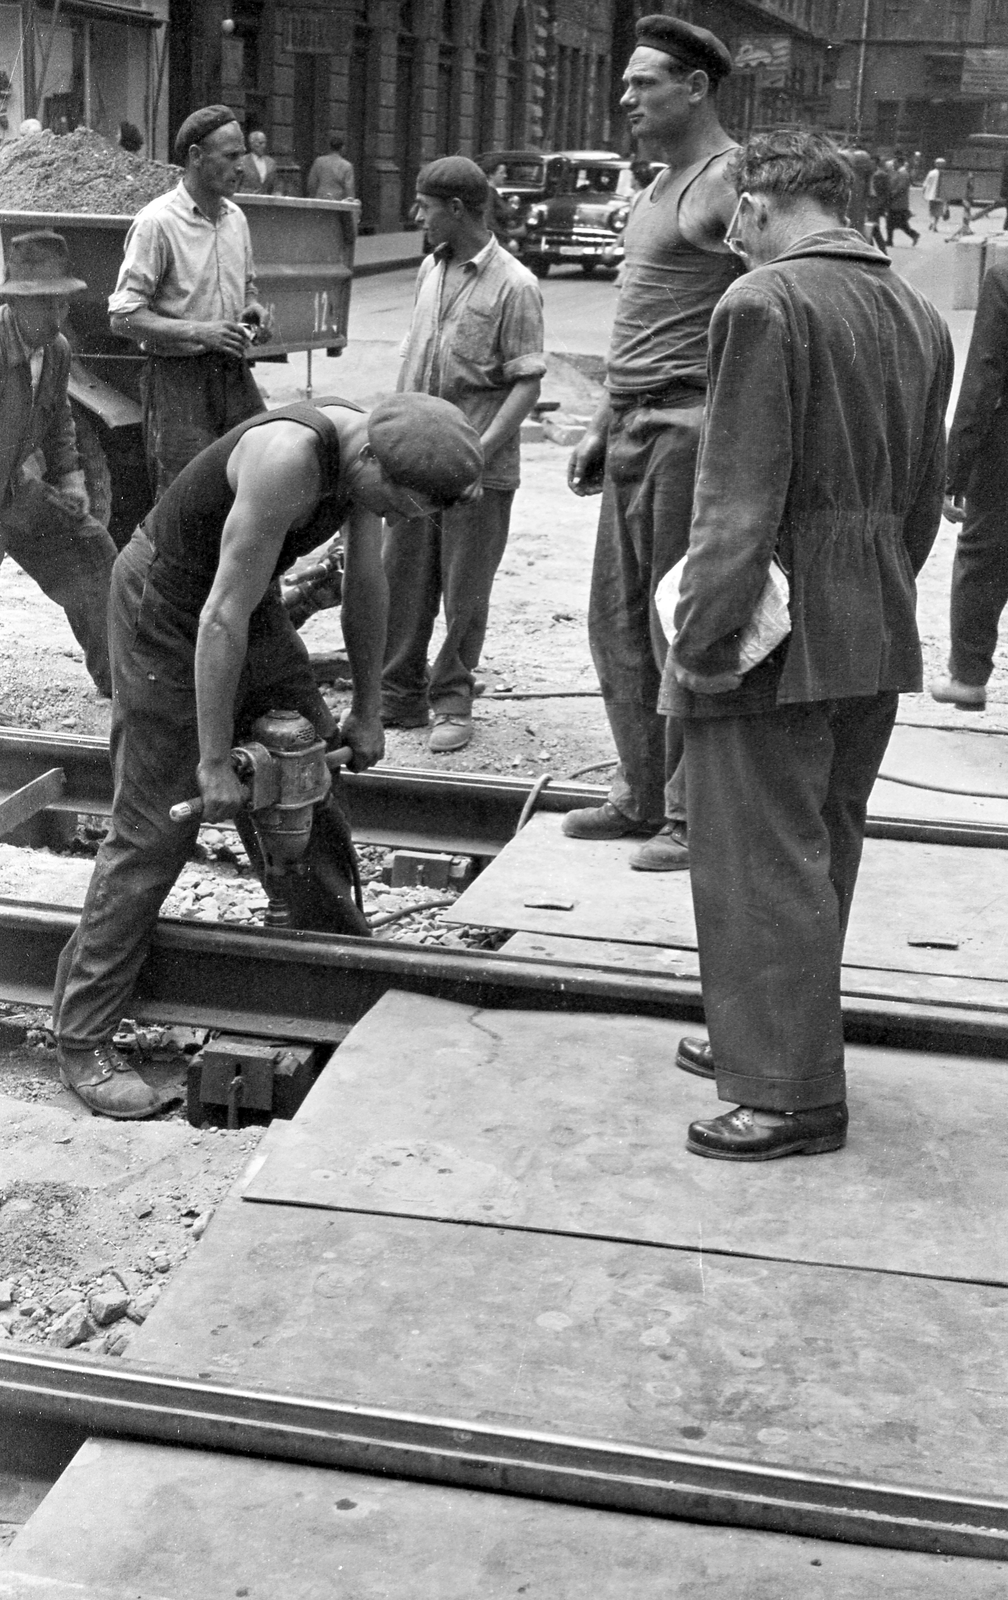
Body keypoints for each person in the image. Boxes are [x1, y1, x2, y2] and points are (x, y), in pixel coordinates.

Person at [53, 392, 483, 1120]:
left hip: (243, 605)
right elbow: (217, 616)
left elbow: (366, 586)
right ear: (370, 458)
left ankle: (344, 985)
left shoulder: (367, 459)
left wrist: (369, 709)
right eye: (401, 504)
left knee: (302, 773)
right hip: (166, 605)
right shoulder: (289, 459)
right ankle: (82, 1040)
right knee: (156, 827)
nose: (405, 518)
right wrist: (215, 761)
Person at [668, 131, 952, 1161]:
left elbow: (736, 499)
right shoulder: (917, 314)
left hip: (774, 623)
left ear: (764, 203)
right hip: (871, 615)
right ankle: (768, 1036)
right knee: (822, 842)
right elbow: (922, 503)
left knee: (755, 853)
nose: (732, 230)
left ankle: (790, 1093)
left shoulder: (764, 303)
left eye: (738, 210)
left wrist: (702, 636)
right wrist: (873, 590)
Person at [562, 13, 741, 871]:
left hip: (688, 431)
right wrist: (601, 418)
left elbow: (767, 313)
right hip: (633, 425)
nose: (626, 95)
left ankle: (688, 818)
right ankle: (639, 794)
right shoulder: (657, 185)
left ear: (696, 87)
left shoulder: (726, 182)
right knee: (616, 623)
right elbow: (639, 315)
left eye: (645, 82)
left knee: (681, 628)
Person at [380, 156, 545, 754]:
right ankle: (397, 694)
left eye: (425, 205)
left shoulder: (516, 285)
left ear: (457, 209)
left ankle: (452, 700)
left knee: (464, 589)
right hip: (419, 462)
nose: (417, 215)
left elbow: (526, 382)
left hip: (481, 469)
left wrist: (479, 451)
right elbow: (414, 357)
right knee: (403, 575)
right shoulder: (432, 268)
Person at [108, 104, 270, 501]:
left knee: (261, 479)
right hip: (178, 383)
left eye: (243, 156)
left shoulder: (236, 219)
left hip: (233, 376)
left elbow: (248, 287)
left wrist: (253, 309)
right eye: (231, 156)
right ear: (196, 157)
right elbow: (122, 317)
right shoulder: (157, 223)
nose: (242, 167)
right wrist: (199, 331)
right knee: (187, 500)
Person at [0, 230, 118, 697]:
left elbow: (59, 419)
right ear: (15, 301)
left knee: (92, 550)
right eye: (45, 304)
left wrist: (70, 478)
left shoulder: (57, 350)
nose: (58, 315)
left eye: (63, 304)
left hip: (14, 489)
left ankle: (123, 684)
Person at [932, 253, 1008, 711]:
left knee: (984, 555)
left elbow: (984, 379)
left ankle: (968, 677)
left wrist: (954, 469)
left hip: (1005, 455)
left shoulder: (1004, 276)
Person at [307, 134, 356, 201]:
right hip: (338, 200)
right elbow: (349, 187)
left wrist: (312, 197)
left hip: (320, 198)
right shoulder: (347, 165)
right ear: (342, 148)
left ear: (330, 147)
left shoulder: (319, 161)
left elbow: (312, 183)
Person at [886, 151, 919, 246]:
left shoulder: (903, 173)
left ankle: (890, 240)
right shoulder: (899, 172)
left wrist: (891, 196)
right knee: (898, 223)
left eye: (895, 163)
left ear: (900, 163)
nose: (893, 165)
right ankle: (890, 240)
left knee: (893, 222)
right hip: (897, 202)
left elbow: (900, 188)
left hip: (898, 202)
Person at [238, 129, 277, 195]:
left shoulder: (271, 163)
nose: (263, 146)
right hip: (247, 201)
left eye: (265, 143)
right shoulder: (242, 162)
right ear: (252, 144)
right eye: (260, 143)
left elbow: (275, 185)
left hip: (266, 202)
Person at [865, 154, 889, 254]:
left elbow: (886, 191)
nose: (870, 164)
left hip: (876, 202)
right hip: (868, 201)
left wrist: (881, 205)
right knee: (870, 228)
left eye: (872, 162)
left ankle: (879, 250)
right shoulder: (867, 174)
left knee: (873, 227)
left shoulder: (881, 175)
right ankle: (875, 250)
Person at [922, 156, 946, 230]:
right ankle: (935, 224)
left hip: (931, 194)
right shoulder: (945, 174)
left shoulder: (931, 173)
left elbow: (925, 184)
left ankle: (932, 221)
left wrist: (923, 193)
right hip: (941, 195)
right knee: (938, 211)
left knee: (932, 210)